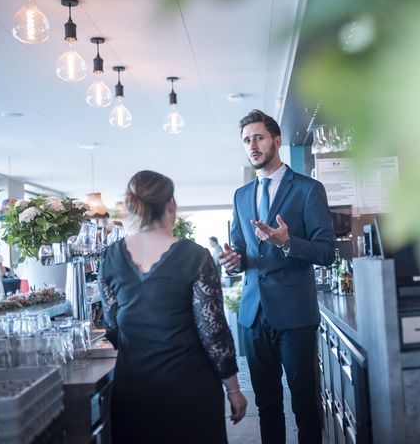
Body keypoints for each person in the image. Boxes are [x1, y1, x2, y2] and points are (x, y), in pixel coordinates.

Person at [99, 170, 247, 443]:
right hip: (190, 389)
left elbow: (112, 326)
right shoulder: (195, 256)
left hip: (134, 391)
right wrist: (233, 389)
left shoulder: (110, 257)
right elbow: (213, 331)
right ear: (171, 205)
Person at [220, 110, 336, 443]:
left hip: (295, 315)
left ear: (277, 141)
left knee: (305, 406)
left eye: (258, 137)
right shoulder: (241, 197)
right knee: (268, 406)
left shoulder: (308, 190)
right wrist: (232, 261)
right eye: (246, 140)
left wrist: (288, 243)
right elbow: (242, 252)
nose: (252, 146)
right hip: (253, 316)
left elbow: (326, 252)